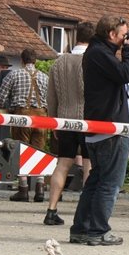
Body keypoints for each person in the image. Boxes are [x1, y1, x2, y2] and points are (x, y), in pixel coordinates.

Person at [69, 15, 129, 246]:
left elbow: (120, 74)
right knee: (109, 184)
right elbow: (124, 75)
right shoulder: (100, 53)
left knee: (96, 182)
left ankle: (81, 229)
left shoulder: (97, 52)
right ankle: (99, 231)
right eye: (123, 35)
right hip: (110, 129)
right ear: (111, 34)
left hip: (99, 127)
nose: (124, 40)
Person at [43, 22, 95, 226]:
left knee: (63, 164)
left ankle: (51, 209)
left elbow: (51, 97)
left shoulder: (59, 63)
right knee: (89, 166)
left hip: (64, 120)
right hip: (88, 122)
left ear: (75, 37)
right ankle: (86, 214)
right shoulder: (91, 63)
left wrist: (54, 121)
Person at [0, 48, 49, 203]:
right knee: (39, 151)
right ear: (36, 61)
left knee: (22, 151)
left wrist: (4, 110)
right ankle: (40, 188)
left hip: (22, 115)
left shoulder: (14, 74)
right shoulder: (45, 77)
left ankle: (23, 189)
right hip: (42, 116)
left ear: (21, 60)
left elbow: (2, 96)